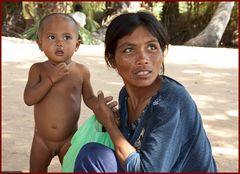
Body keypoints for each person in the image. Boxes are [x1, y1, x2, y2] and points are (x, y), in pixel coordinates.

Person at [74, 11, 218, 172]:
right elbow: (133, 148)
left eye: (151, 47)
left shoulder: (171, 100)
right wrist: (118, 123)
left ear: (163, 52)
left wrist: (109, 125)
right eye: (129, 50)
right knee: (93, 156)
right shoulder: (126, 95)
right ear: (112, 59)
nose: (143, 58)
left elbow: (146, 170)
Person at [23, 13, 116, 172]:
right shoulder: (38, 70)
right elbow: (29, 98)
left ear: (77, 44)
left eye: (67, 37)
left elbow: (89, 98)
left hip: (69, 139)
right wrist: (50, 79)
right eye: (52, 37)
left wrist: (100, 106)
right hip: (41, 140)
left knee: (71, 169)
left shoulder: (81, 71)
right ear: (40, 43)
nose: (59, 43)